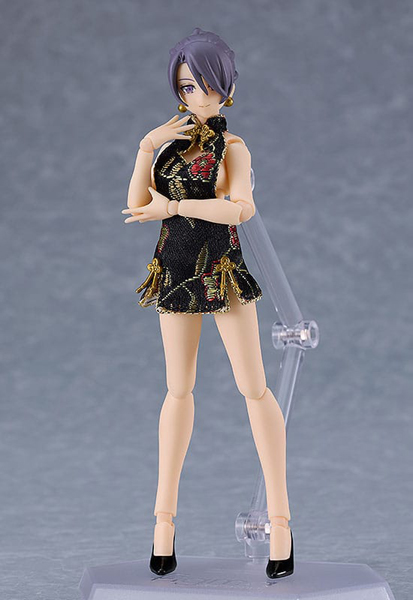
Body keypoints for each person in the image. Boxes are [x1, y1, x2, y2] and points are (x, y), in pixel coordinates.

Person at [122, 28, 293, 579]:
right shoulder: (170, 144)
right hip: (175, 269)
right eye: (185, 86)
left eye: (202, 84)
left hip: (220, 270)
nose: (193, 96)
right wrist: (145, 148)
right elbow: (136, 203)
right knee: (177, 389)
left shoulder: (232, 147)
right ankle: (163, 524)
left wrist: (172, 206)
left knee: (254, 387)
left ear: (225, 87)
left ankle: (281, 522)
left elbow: (240, 208)